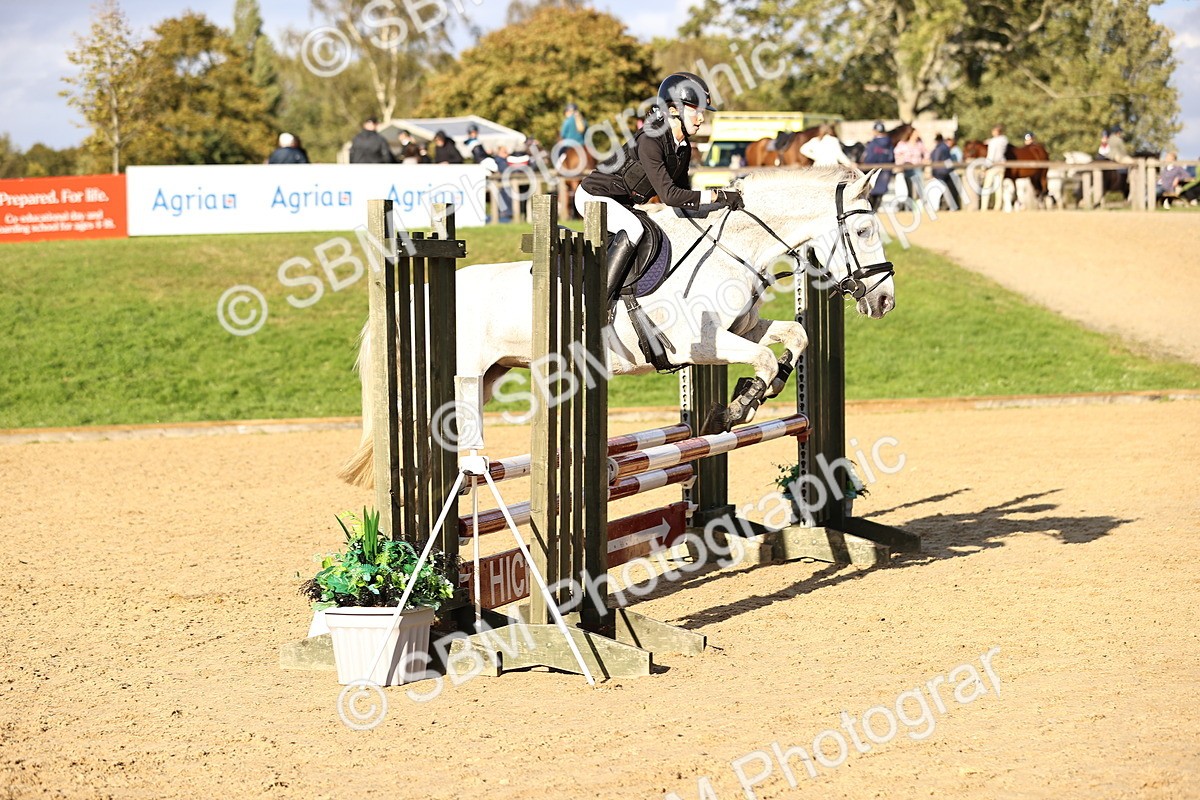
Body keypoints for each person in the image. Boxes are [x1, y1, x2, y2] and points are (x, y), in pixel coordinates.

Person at [578, 72, 742, 303]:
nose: (701, 119)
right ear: (673, 109)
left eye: (703, 112)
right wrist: (717, 195)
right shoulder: (650, 140)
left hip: (621, 202)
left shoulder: (683, 147)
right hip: (594, 197)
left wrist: (718, 203)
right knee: (634, 229)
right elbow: (670, 196)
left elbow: (684, 194)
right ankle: (595, 303)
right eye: (696, 110)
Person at [862, 121, 894, 211]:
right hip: (886, 170)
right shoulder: (889, 143)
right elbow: (891, 157)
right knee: (880, 193)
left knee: (870, 192)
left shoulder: (873, 143)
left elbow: (870, 158)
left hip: (873, 171)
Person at [894, 127, 927, 205]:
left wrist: (924, 161)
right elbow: (897, 153)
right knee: (908, 187)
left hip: (917, 168)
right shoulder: (903, 144)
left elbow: (926, 153)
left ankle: (920, 203)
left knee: (919, 187)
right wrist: (901, 162)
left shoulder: (919, 144)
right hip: (907, 168)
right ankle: (909, 204)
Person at [929, 133, 960, 210]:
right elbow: (947, 160)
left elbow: (935, 160)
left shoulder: (937, 149)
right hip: (945, 172)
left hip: (939, 173)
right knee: (950, 190)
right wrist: (950, 169)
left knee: (943, 191)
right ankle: (953, 207)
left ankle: (947, 207)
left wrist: (934, 172)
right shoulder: (944, 148)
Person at [982, 124, 1008, 210]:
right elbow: (1001, 141)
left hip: (993, 166)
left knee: (987, 186)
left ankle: (984, 207)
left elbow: (991, 156)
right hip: (1002, 165)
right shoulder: (1004, 140)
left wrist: (985, 167)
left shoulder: (993, 142)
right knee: (999, 187)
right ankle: (998, 206)